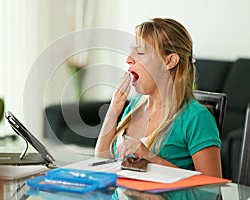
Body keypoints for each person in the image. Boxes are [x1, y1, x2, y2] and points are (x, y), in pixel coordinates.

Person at [95, 18, 222, 178]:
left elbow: (212, 188)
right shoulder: (134, 106)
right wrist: (114, 109)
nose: (128, 59)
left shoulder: (196, 118)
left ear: (170, 61)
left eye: (140, 52)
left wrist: (151, 158)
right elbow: (102, 161)